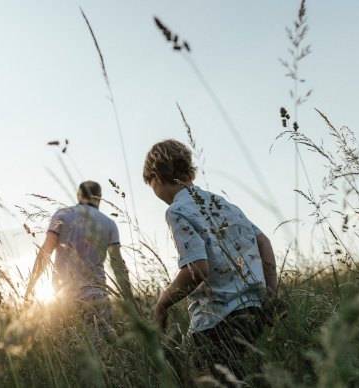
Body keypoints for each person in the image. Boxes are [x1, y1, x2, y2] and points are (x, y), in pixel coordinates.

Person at [142, 139, 279, 381]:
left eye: (151, 184)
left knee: (201, 377)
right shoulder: (223, 204)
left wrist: (162, 304)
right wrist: (270, 294)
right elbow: (264, 242)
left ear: (156, 177)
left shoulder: (177, 210)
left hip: (217, 321)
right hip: (253, 311)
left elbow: (198, 268)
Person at [25, 181, 132, 336]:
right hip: (97, 297)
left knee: (66, 354)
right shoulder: (109, 224)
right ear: (100, 198)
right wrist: (130, 300)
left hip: (63, 299)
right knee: (100, 354)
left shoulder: (62, 214)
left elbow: (45, 252)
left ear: (78, 196)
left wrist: (31, 286)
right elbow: (117, 265)